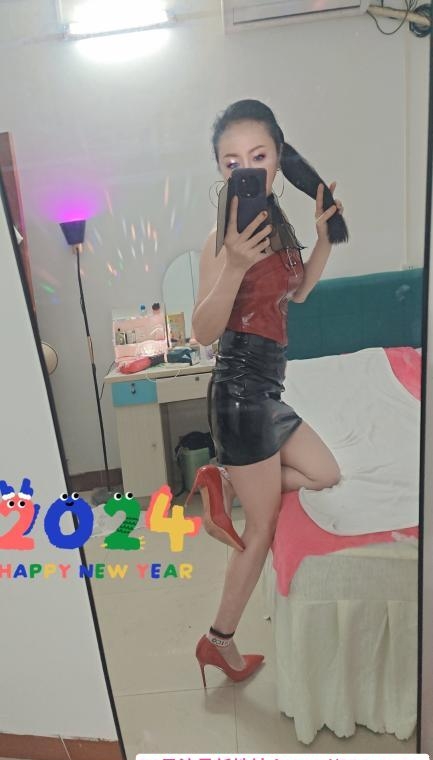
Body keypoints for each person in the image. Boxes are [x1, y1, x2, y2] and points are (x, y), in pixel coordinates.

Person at [186, 99, 346, 688]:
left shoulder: (278, 226)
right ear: (221, 171)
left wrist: (323, 239)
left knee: (326, 472)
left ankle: (227, 481)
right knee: (261, 530)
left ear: (278, 158)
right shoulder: (222, 239)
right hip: (238, 394)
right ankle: (218, 641)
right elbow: (202, 332)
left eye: (258, 156)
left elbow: (296, 294)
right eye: (232, 162)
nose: (246, 168)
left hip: (268, 392)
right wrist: (232, 265)